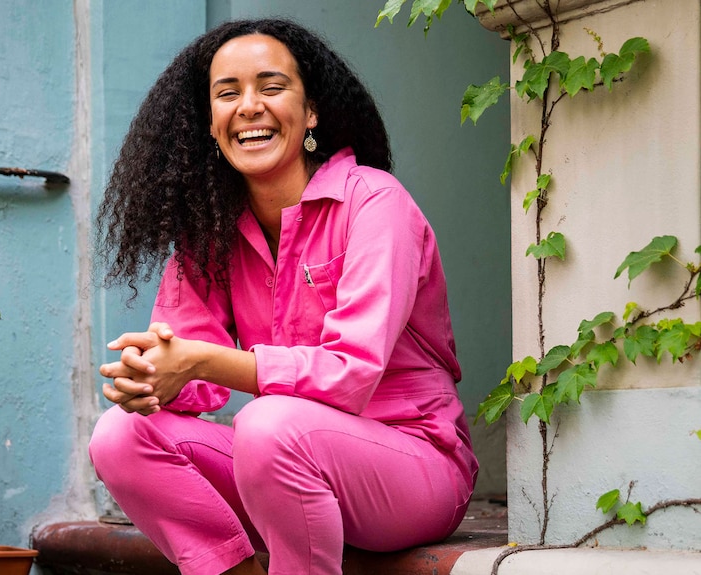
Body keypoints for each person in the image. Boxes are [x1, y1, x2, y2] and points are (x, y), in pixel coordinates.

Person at [88, 18, 478, 575]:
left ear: (312, 111)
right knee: (120, 436)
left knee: (269, 424)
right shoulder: (212, 232)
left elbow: (351, 372)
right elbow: (192, 379)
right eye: (228, 93)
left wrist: (200, 360)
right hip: (284, 468)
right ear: (210, 123)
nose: (249, 106)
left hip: (414, 468)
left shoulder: (374, 202)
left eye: (271, 87)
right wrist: (153, 375)